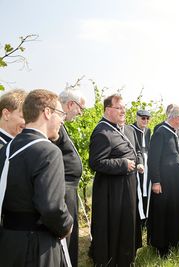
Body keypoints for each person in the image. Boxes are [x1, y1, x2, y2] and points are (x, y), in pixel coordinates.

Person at [0, 89, 73, 266]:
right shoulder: (48, 151)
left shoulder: (6, 150)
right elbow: (51, 208)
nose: (62, 121)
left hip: (8, 244)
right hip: (38, 248)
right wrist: (67, 225)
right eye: (60, 114)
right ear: (47, 112)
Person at [89, 94, 144, 266]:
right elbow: (96, 163)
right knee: (114, 226)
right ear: (108, 109)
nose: (123, 110)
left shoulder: (128, 129)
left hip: (129, 185)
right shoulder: (101, 132)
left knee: (128, 222)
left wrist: (139, 162)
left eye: (124, 107)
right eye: (119, 107)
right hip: (111, 191)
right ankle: (113, 259)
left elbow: (138, 151)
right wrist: (122, 164)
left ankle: (127, 256)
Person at [147, 105, 179, 257]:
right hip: (164, 182)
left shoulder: (174, 131)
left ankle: (175, 241)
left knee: (174, 212)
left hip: (175, 183)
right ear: (174, 118)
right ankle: (162, 247)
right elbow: (153, 160)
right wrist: (156, 182)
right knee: (163, 214)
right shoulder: (161, 133)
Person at [52, 87, 86, 267]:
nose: (80, 113)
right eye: (80, 108)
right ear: (71, 104)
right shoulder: (53, 126)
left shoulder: (61, 125)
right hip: (63, 188)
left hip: (69, 189)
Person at [131, 109, 152, 248]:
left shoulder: (148, 131)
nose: (144, 121)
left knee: (147, 190)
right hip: (137, 164)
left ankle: (146, 219)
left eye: (147, 119)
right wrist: (138, 162)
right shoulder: (130, 129)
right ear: (137, 118)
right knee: (138, 190)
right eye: (142, 118)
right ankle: (138, 219)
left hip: (147, 162)